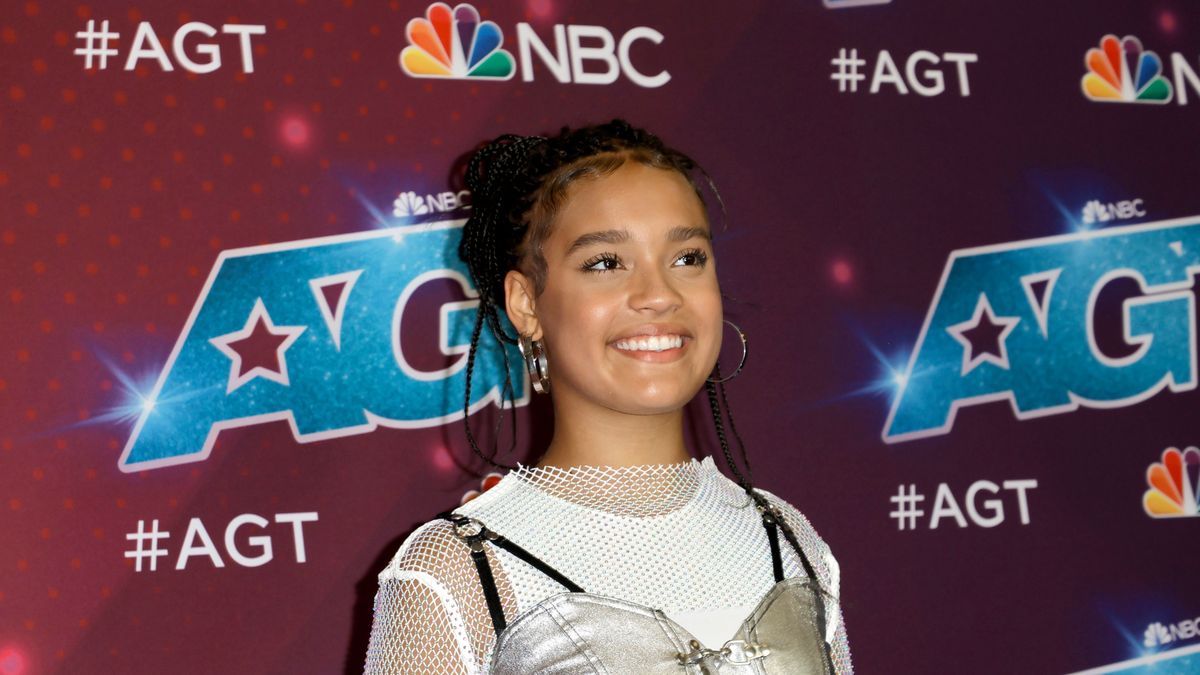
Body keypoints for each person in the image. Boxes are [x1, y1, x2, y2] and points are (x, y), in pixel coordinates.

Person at [363, 120, 852, 674]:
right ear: (525, 304)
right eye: (605, 263)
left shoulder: (785, 536)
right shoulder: (457, 571)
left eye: (687, 257)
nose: (659, 295)